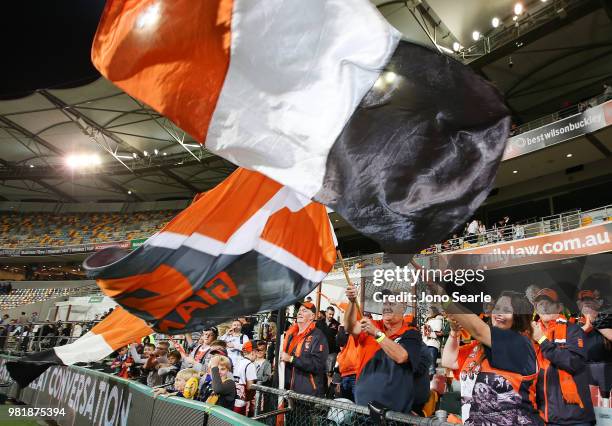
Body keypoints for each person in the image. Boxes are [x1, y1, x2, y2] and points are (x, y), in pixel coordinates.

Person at [440, 290, 541, 425]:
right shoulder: (479, 346)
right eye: (497, 308)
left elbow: (477, 330)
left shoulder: (520, 344)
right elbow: (449, 361)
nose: (499, 313)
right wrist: (454, 332)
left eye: (506, 310)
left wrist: (442, 296)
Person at [344, 285, 424, 414]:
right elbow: (350, 327)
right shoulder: (372, 324)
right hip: (364, 407)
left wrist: (377, 334)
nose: (386, 306)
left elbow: (401, 356)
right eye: (385, 303)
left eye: (392, 303)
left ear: (403, 307)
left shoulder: (411, 333)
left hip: (393, 412)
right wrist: (352, 302)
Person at [532, 288, 595, 425]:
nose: (543, 307)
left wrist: (542, 341)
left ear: (559, 307)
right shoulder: (531, 334)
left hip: (574, 418)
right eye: (539, 304)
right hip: (544, 417)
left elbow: (573, 362)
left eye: (548, 303)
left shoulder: (574, 330)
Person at [280, 302, 328, 397]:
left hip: (307, 395)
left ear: (312, 316)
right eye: (299, 310)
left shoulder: (318, 336)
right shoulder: (290, 335)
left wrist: (291, 359)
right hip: (287, 392)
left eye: (304, 310)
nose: (299, 313)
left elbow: (317, 365)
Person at [576, 290, 612, 397]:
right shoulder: (573, 324)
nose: (586, 303)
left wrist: (595, 321)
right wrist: (585, 327)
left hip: (607, 375)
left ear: (597, 304)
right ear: (578, 305)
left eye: (590, 300)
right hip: (584, 375)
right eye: (583, 300)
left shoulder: (607, 320)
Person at [316, 306, 340, 382]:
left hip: (331, 352)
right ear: (326, 313)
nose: (331, 316)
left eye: (332, 314)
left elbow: (339, 338)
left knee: (329, 373)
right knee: (319, 371)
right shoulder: (319, 323)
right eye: (329, 314)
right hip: (320, 351)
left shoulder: (336, 324)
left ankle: (328, 391)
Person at [422, 306, 444, 376]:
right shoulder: (428, 320)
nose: (428, 312)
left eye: (429, 311)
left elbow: (438, 332)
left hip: (432, 343)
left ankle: (432, 383)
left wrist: (428, 332)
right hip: (426, 343)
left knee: (431, 366)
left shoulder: (438, 320)